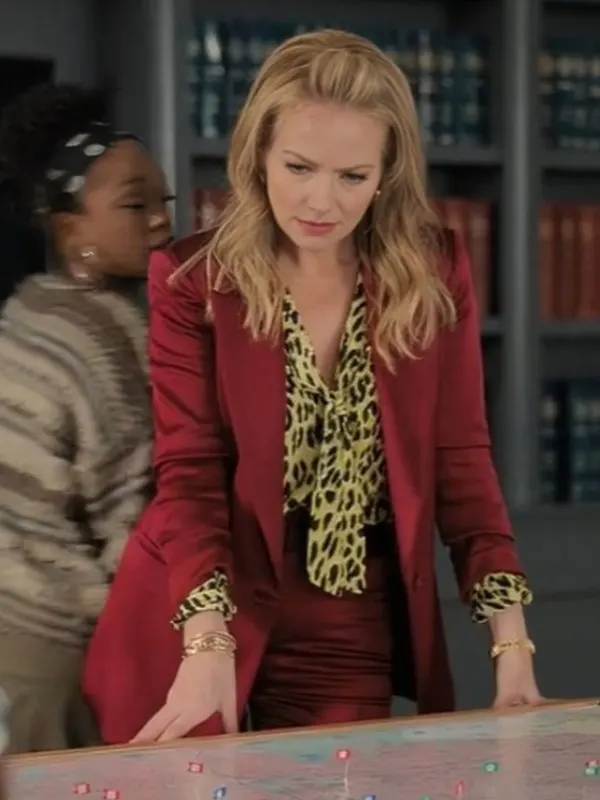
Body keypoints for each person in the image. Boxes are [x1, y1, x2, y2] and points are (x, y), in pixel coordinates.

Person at [83, 29, 542, 745]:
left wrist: (511, 645)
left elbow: (461, 459)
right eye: (298, 167)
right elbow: (191, 470)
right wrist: (207, 639)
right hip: (198, 599)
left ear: (386, 175)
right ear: (258, 154)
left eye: (352, 176)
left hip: (345, 606)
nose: (320, 200)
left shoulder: (432, 270)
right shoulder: (192, 279)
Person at [0, 82, 173, 753]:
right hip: (64, 661)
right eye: (134, 204)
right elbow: (130, 521)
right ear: (70, 228)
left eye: (163, 203)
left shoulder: (26, 315)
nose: (158, 221)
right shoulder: (108, 340)